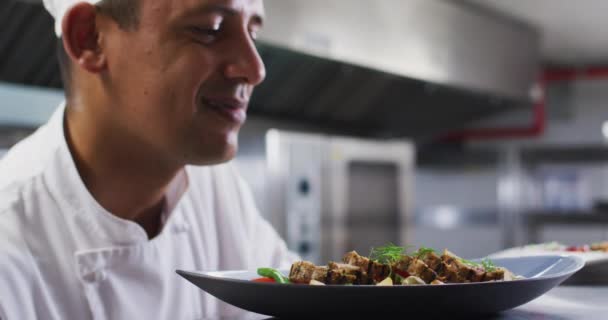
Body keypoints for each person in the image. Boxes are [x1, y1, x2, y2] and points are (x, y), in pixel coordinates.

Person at [0, 0, 298, 319]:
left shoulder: (217, 188)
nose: (255, 70)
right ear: (89, 38)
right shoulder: (10, 249)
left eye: (252, 32)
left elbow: (294, 302)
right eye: (208, 29)